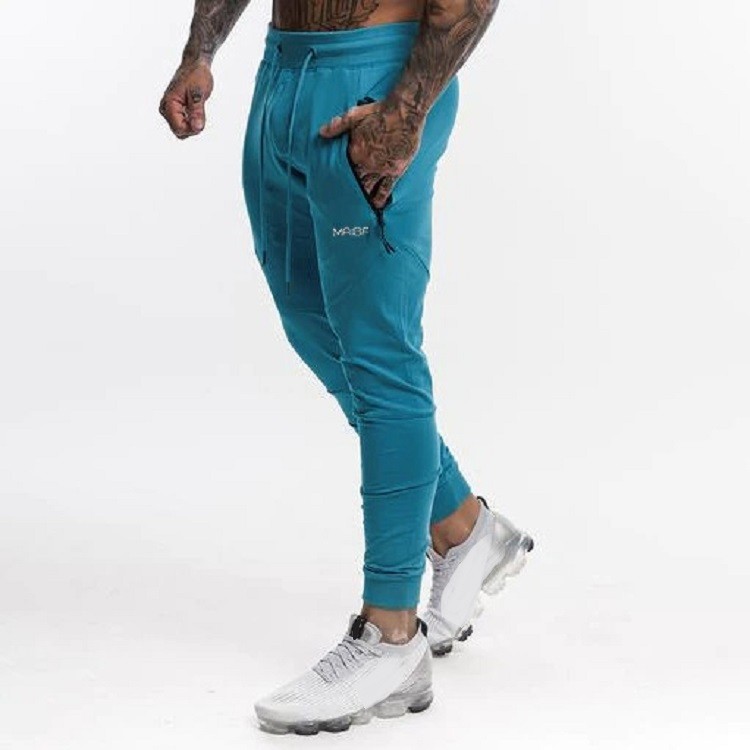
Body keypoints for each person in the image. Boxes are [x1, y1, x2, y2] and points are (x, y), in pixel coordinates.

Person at [159, 0, 534, 735]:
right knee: (310, 320)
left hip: (375, 82)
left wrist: (406, 111)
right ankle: (463, 527)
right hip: (282, 75)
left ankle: (390, 636)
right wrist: (200, 51)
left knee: (379, 351)